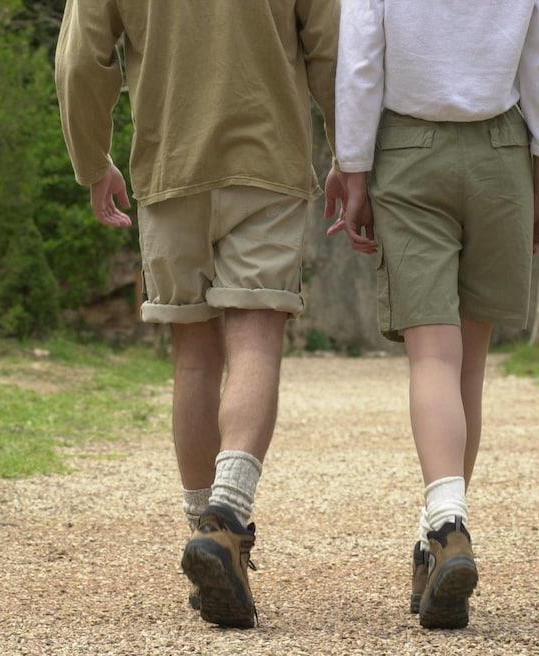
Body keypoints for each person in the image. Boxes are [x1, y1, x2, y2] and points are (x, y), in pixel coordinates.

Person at [55, 0, 340, 629]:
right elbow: (331, 47)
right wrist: (351, 153)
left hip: (168, 165)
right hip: (268, 163)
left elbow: (82, 58)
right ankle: (227, 520)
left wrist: (91, 158)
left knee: (194, 358)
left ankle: (204, 534)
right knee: (256, 342)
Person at [333, 0, 539, 629]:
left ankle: (445, 525)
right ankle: (434, 541)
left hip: (408, 149)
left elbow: (360, 58)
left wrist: (352, 167)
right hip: (502, 150)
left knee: (433, 357)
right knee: (469, 367)